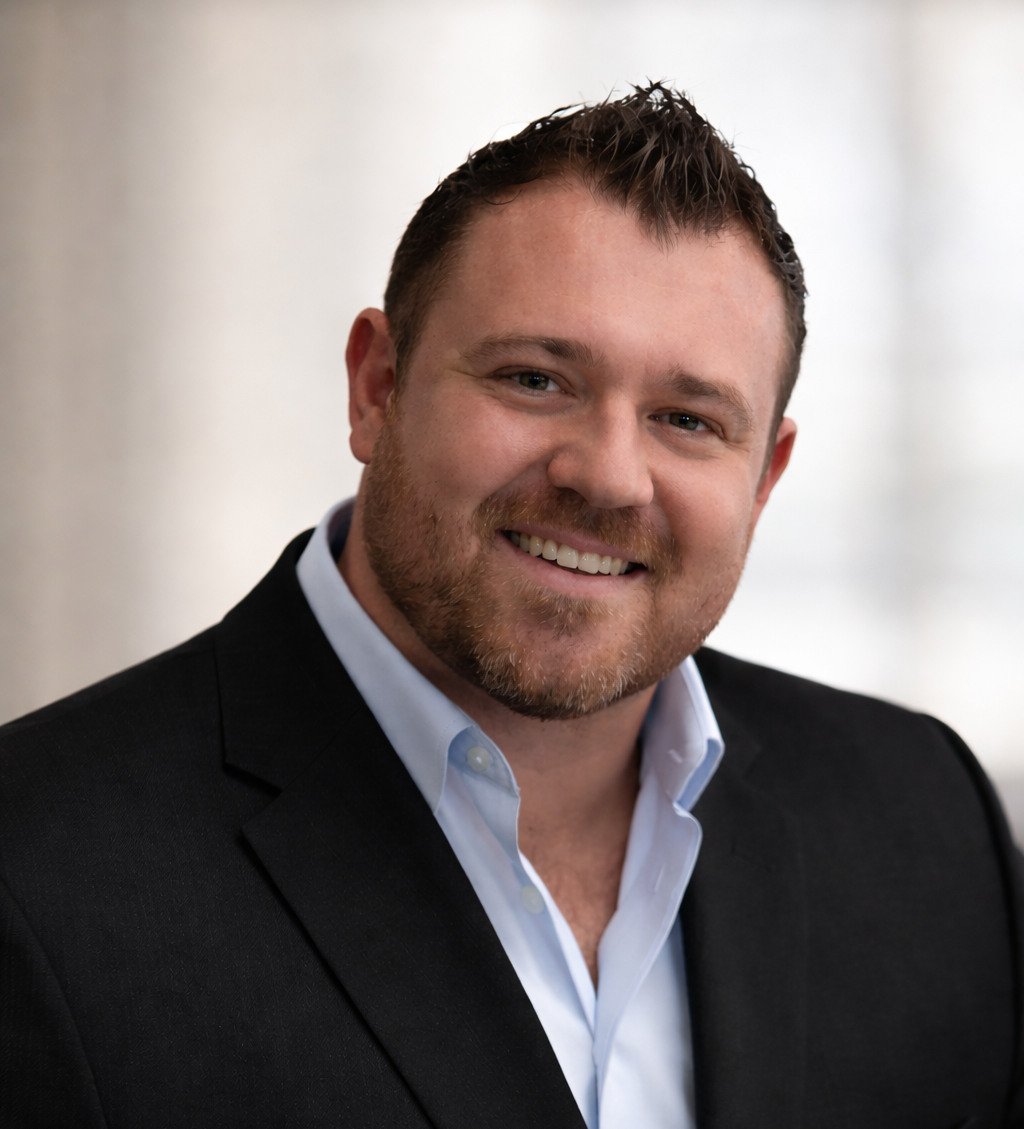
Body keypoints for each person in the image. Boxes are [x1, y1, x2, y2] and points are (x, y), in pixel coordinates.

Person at [1, 83, 1021, 1129]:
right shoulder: (36, 872)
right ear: (376, 387)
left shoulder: (927, 828)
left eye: (686, 417)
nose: (610, 476)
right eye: (535, 379)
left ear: (765, 475)